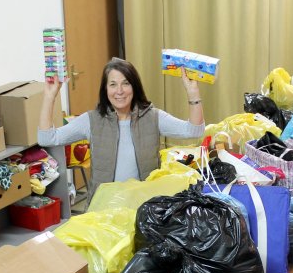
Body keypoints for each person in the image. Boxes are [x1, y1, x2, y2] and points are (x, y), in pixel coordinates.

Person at [38, 58, 205, 202]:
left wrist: (193, 92)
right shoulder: (92, 120)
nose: (119, 91)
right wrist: (49, 96)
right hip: (104, 207)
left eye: (126, 83)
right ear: (105, 89)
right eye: (113, 84)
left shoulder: (153, 117)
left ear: (134, 87)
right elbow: (47, 139)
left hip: (143, 206)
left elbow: (194, 131)